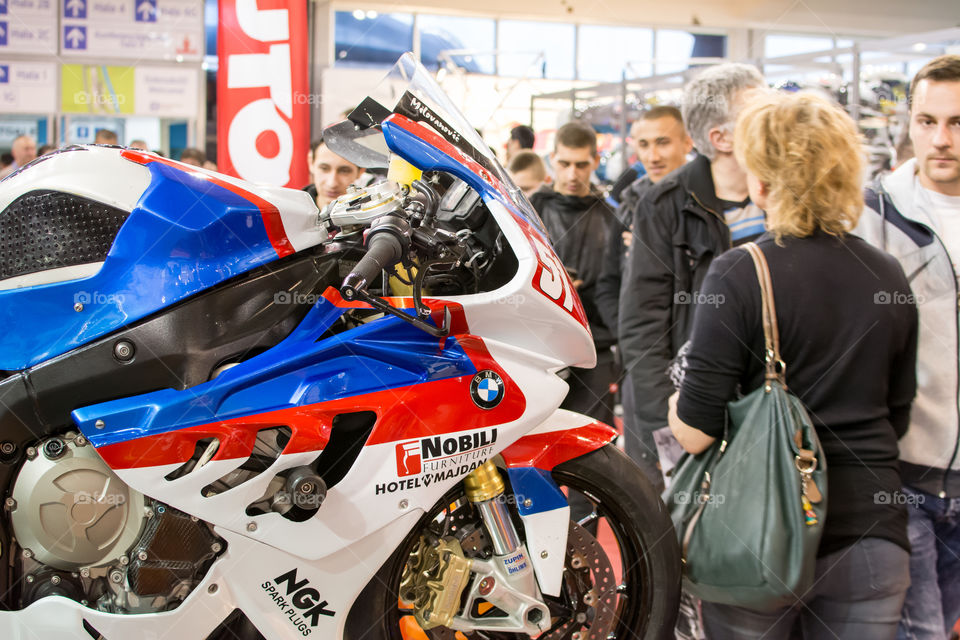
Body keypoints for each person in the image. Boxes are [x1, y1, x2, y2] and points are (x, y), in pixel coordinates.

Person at [669, 91, 917, 639]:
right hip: (873, 536)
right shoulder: (888, 276)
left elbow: (694, 432)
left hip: (759, 535)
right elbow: (896, 415)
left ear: (760, 181)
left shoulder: (739, 273)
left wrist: (673, 401)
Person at [618, 63, 766, 489]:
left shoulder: (786, 198)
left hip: (765, 409)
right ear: (720, 138)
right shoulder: (664, 204)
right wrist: (664, 425)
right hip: (689, 412)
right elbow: (643, 322)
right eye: (758, 114)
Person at [855, 54, 960, 640]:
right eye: (927, 121)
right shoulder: (873, 215)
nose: (940, 139)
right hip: (901, 472)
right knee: (916, 630)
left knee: (941, 622)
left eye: (957, 122)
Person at [594, 105, 692, 488]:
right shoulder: (631, 204)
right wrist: (634, 338)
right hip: (643, 370)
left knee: (689, 485)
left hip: (694, 363)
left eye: (664, 143)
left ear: (688, 142)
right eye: (645, 144)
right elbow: (608, 282)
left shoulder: (703, 205)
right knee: (648, 483)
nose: (653, 155)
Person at [529, 121, 618, 424]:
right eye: (565, 163)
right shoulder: (528, 211)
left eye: (581, 165)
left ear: (595, 161)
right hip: (540, 346)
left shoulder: (611, 218)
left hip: (596, 346)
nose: (572, 174)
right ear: (552, 158)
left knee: (593, 444)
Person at [304, 137, 366, 210]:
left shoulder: (372, 219)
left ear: (361, 171)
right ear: (311, 163)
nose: (332, 184)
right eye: (324, 168)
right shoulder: (288, 214)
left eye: (344, 171)